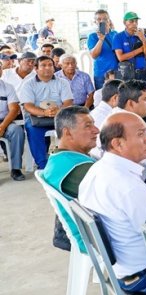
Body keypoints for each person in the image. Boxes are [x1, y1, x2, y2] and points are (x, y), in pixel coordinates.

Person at [79, 112, 146, 295]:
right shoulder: (128, 187)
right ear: (117, 144)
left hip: (122, 270)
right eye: (140, 134)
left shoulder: (96, 170)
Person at [42, 106, 99, 251]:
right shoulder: (78, 167)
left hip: (81, 232)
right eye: (88, 126)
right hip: (94, 239)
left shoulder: (59, 157)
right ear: (67, 132)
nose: (96, 130)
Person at [18, 56, 74, 169]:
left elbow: (68, 102)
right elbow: (28, 106)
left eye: (50, 65)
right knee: (32, 129)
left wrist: (58, 110)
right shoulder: (28, 84)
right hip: (37, 117)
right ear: (36, 68)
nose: (47, 68)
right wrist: (45, 112)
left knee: (73, 127)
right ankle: (43, 166)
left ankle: (69, 161)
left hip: (59, 116)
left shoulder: (62, 82)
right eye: (43, 65)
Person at [0, 61, 25, 181]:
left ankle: (16, 168)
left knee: (17, 130)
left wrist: (2, 126)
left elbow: (14, 109)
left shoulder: (7, 87)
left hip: (5, 121)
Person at [113, 12, 146, 82]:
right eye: (131, 21)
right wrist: (140, 50)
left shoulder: (141, 35)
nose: (134, 23)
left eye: (136, 21)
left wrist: (143, 39)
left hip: (142, 73)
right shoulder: (118, 37)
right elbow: (121, 57)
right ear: (124, 22)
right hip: (127, 74)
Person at [87, 9, 118, 90]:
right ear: (95, 22)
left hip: (116, 73)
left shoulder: (115, 34)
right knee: (101, 96)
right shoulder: (93, 36)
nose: (102, 21)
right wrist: (101, 39)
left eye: (105, 19)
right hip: (101, 74)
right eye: (99, 19)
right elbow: (94, 55)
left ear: (109, 20)